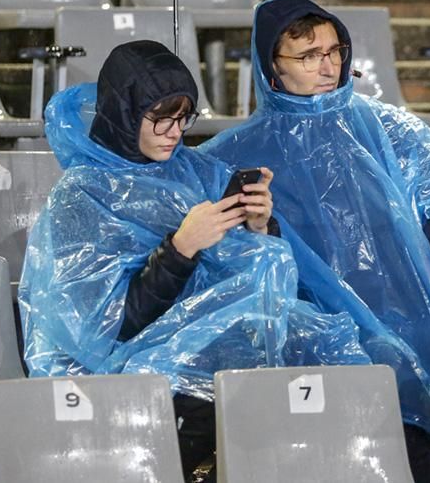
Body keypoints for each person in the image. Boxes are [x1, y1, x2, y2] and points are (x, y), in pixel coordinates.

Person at [201, 0, 430, 482]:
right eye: (308, 55)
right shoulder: (233, 155)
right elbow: (240, 268)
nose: (328, 65)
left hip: (417, 312)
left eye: (334, 50)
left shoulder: (387, 129)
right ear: (272, 64)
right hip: (314, 326)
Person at [19, 41, 369, 480]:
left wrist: (259, 228)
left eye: (183, 117)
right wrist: (180, 248)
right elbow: (106, 329)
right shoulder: (81, 196)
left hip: (207, 341)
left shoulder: (197, 171)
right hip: (129, 361)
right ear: (123, 112)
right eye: (160, 117)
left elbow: (246, 281)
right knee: (227, 396)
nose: (174, 131)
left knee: (330, 358)